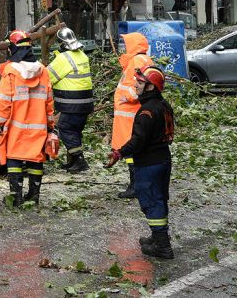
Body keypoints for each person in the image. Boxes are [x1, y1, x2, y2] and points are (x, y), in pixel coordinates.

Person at [107, 66, 176, 259]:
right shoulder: (163, 105)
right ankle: (157, 237)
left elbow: (138, 140)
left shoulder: (147, 111)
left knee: (152, 202)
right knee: (159, 199)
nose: (135, 84)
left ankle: (162, 246)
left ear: (150, 87)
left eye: (140, 82)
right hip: (162, 160)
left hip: (149, 164)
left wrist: (119, 153)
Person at [0, 30, 57, 207]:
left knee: (14, 158)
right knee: (36, 158)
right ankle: (34, 197)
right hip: (39, 126)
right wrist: (50, 125)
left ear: (12, 49)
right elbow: (49, 101)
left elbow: (3, 101)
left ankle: (16, 197)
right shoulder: (42, 71)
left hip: (16, 127)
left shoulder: (11, 72)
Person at [111, 32, 152, 198]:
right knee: (133, 150)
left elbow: (137, 88)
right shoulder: (143, 60)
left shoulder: (137, 61)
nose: (124, 46)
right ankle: (137, 184)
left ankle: (135, 187)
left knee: (130, 151)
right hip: (130, 114)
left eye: (127, 43)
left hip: (129, 114)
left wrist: (125, 97)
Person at [49, 27, 94, 173]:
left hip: (71, 103)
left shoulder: (63, 58)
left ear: (61, 43)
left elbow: (47, 77)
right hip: (85, 103)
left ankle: (79, 161)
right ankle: (74, 161)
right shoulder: (82, 55)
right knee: (75, 131)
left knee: (66, 129)